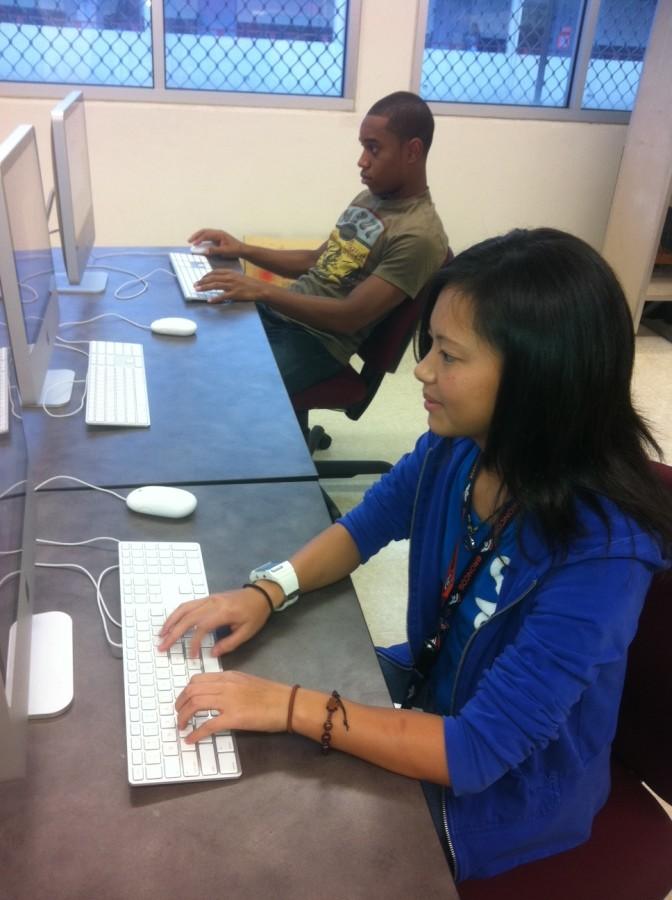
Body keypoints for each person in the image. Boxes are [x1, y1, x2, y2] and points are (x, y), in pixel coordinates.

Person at [158, 228, 672, 882]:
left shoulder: (602, 553)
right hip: (433, 695)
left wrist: (288, 706)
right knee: (244, 754)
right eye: (429, 344)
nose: (423, 370)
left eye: (449, 356)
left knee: (274, 841)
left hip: (506, 793)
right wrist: (267, 590)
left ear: (538, 380)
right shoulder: (461, 447)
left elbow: (479, 750)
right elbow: (366, 525)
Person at [186, 91, 449, 396]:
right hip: (284, 317)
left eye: (374, 149)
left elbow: (350, 316)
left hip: (317, 343)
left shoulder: (419, 235)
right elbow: (316, 260)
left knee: (222, 390)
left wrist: (260, 290)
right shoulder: (371, 198)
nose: (362, 161)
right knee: (198, 339)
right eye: (363, 147)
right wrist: (243, 250)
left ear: (412, 151)